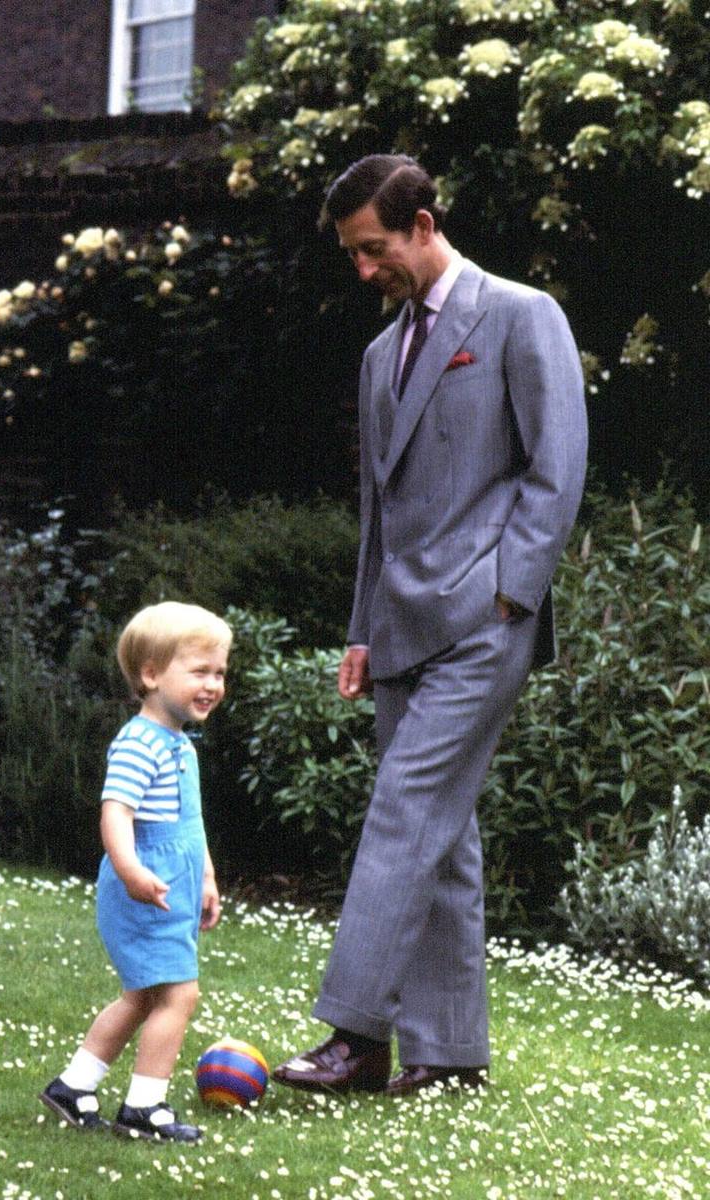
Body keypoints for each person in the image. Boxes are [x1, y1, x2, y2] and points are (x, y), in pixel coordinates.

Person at [274, 154, 588, 1098]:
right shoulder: (381, 355)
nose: (365, 269)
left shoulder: (522, 315)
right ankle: (447, 1055)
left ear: (423, 224)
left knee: (405, 810)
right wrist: (363, 630)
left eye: (375, 249)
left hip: (485, 621)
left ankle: (357, 1035)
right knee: (441, 836)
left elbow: (557, 466)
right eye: (353, 255)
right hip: (400, 629)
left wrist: (512, 593)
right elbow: (379, 509)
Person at [40, 601, 231, 1140]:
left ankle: (74, 1086)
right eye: (199, 671)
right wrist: (131, 873)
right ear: (150, 675)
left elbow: (190, 825)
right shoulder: (139, 743)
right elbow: (116, 814)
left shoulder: (180, 745)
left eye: (219, 672)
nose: (213, 684)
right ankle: (145, 1105)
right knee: (178, 994)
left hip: (172, 886)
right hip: (143, 888)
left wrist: (208, 879)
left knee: (143, 995)